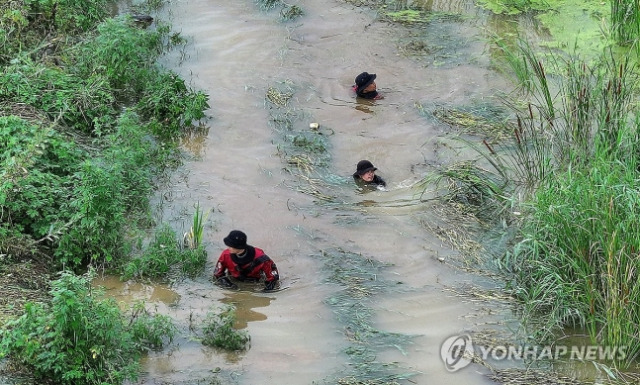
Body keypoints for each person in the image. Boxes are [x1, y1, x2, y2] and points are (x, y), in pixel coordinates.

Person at [213, 230, 280, 291]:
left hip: (255, 281)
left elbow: (273, 278)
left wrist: (265, 292)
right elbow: (218, 274)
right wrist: (229, 285)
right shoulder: (225, 255)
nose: (228, 248)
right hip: (234, 279)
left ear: (239, 247)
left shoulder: (260, 258)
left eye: (231, 246)